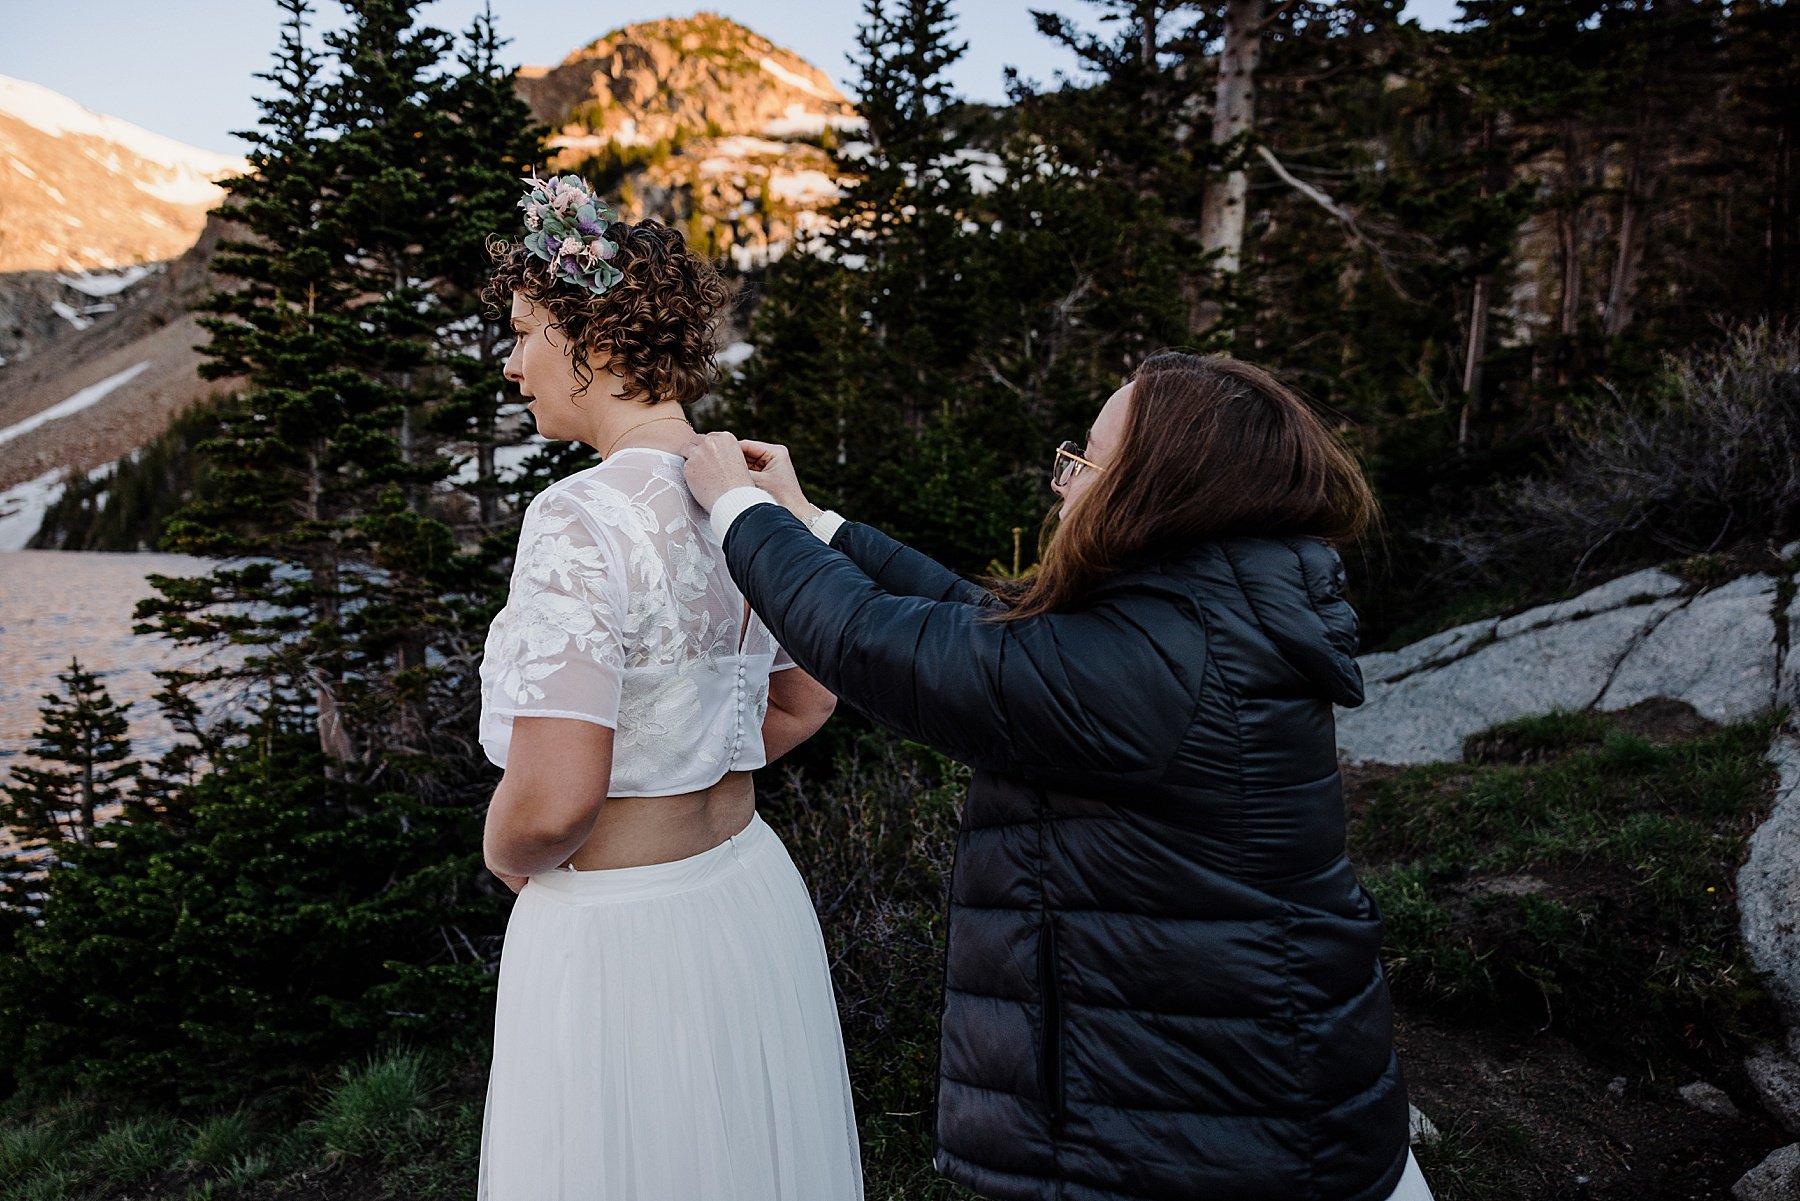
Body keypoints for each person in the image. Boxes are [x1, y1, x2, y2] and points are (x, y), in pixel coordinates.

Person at [682, 351, 1435, 1201]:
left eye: (1087, 462)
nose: (1062, 484)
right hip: (1228, 1104)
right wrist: (812, 520)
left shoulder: (1156, 657)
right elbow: (986, 625)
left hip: (1214, 1142)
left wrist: (739, 511)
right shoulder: (1202, 608)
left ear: (1159, 489)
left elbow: (881, 646)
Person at [474, 174, 863, 1200]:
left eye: (521, 334)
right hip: (746, 895)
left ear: (591, 341)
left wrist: (506, 851)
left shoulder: (577, 516)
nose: (511, 364)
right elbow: (805, 700)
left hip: (619, 934)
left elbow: (556, 796)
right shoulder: (742, 487)